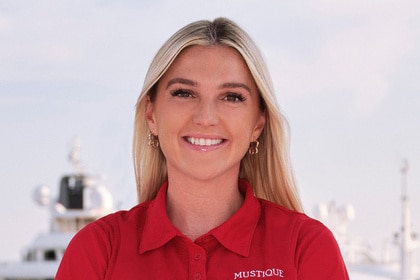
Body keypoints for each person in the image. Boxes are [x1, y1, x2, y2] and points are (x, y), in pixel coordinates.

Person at [56, 17, 349, 279]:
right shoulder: (99, 250)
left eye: (232, 97)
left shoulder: (305, 247)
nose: (206, 117)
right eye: (184, 93)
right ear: (151, 115)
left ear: (258, 124)